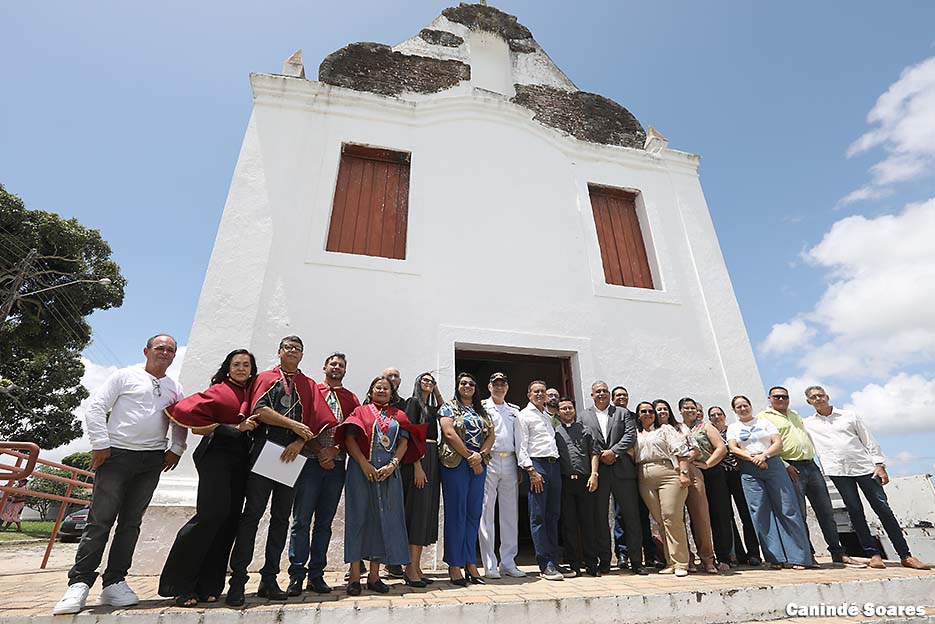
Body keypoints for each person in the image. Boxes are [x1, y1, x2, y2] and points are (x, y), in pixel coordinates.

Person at [53, 334, 187, 616]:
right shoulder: (125, 376)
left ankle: (115, 580)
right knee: (100, 521)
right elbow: (96, 406)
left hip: (152, 459)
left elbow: (181, 420)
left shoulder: (175, 387)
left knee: (131, 523)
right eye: (160, 348)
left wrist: (176, 447)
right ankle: (79, 582)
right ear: (146, 350)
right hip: (116, 455)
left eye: (170, 350)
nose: (165, 352)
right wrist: (100, 444)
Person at [226, 336, 332, 606]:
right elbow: (259, 410)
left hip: (292, 452)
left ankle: (269, 577)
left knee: (281, 517)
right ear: (279, 351)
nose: (293, 352)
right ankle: (237, 579)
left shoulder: (308, 384)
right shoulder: (266, 377)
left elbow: (312, 420)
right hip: (267, 445)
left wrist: (299, 441)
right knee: (252, 514)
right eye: (288, 348)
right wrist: (294, 427)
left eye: (298, 349)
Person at [159, 349, 260, 607]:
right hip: (216, 456)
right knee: (211, 515)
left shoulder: (253, 393)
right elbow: (187, 414)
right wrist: (234, 428)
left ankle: (209, 585)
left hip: (242, 460)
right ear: (228, 368)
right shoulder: (218, 391)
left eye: (246, 365)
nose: (241, 368)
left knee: (229, 521)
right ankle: (182, 585)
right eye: (236, 364)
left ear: (252, 369)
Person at [804, 386, 931, 570]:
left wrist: (879, 465)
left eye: (820, 395)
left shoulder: (849, 416)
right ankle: (873, 554)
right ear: (809, 402)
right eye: (813, 397)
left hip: (865, 467)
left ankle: (905, 555)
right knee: (855, 512)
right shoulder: (808, 424)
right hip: (838, 471)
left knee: (883, 509)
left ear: (827, 396)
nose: (818, 399)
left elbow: (868, 440)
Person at [757, 386, 865, 569]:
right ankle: (808, 555)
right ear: (770, 398)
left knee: (826, 511)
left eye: (784, 396)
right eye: (777, 397)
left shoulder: (795, 415)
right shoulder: (763, 418)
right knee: (799, 514)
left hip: (811, 465)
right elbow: (763, 444)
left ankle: (838, 553)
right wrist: (785, 465)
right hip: (790, 466)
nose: (781, 399)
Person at [338, 376, 425, 595]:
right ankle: (355, 576)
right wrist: (363, 464)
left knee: (383, 520)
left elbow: (404, 441)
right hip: (361, 471)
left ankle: (374, 577)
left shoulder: (398, 415)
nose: (381, 390)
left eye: (385, 388)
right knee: (358, 519)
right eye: (377, 387)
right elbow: (349, 439)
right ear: (370, 391)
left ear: (392, 393)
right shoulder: (361, 411)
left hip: (388, 474)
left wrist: (393, 465)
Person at [287, 352, 361, 597]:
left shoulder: (351, 398)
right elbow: (303, 420)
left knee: (324, 523)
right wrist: (320, 451)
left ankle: (316, 574)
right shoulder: (311, 391)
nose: (336, 367)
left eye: (341, 365)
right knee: (301, 520)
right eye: (333, 363)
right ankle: (296, 574)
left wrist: (335, 450)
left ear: (345, 371)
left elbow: (353, 431)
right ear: (324, 366)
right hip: (309, 461)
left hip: (337, 465)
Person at [727, 395, 812, 570]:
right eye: (738, 407)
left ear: (750, 406)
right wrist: (752, 459)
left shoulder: (764, 422)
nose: (743, 409)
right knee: (760, 512)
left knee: (787, 508)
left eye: (745, 405)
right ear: (734, 410)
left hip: (772, 464)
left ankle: (799, 557)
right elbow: (733, 447)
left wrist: (763, 456)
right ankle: (774, 557)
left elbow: (777, 442)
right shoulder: (734, 428)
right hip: (749, 468)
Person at [579, 381, 648, 575]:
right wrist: (600, 455)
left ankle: (636, 561)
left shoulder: (622, 413)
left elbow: (629, 436)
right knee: (600, 519)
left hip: (623, 471)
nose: (601, 394)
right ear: (592, 395)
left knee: (631, 517)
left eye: (604, 391)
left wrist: (614, 452)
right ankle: (605, 561)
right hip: (598, 472)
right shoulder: (584, 416)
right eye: (597, 391)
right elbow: (583, 440)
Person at [438, 372, 495, 586]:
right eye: (463, 383)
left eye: (471, 383)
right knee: (456, 513)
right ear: (457, 386)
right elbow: (449, 433)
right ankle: (454, 564)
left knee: (474, 514)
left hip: (478, 464)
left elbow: (491, 435)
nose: (467, 386)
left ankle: (470, 562)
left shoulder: (482, 410)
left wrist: (480, 455)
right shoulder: (448, 407)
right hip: (456, 462)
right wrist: (471, 456)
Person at [635, 401, 692, 577]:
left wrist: (683, 473)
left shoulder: (665, 429)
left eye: (650, 411)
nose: (648, 414)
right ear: (638, 415)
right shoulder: (635, 434)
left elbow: (681, 451)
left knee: (672, 517)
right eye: (643, 411)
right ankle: (669, 561)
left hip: (667, 474)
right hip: (644, 476)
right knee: (660, 520)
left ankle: (681, 562)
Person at [517, 380, 567, 580]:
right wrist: (530, 470)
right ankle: (544, 564)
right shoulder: (523, 416)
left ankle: (555, 561)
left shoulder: (548, 416)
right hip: (537, 466)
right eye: (535, 392)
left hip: (554, 465)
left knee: (553, 515)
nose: (539, 394)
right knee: (538, 516)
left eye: (542, 391)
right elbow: (521, 445)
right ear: (529, 395)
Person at [478, 372, 525, 579]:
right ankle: (490, 564)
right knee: (486, 511)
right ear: (489, 387)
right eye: (495, 384)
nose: (499, 388)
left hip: (510, 460)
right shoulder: (482, 407)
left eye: (502, 384)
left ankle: (508, 561)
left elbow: (520, 439)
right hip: (490, 459)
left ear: (507, 387)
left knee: (510, 513)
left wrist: (522, 465)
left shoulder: (514, 410)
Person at [610, 386, 660, 569]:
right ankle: (622, 554)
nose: (621, 398)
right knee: (620, 514)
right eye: (618, 395)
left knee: (642, 514)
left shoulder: (636, 417)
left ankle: (649, 553)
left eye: (624, 395)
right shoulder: (610, 417)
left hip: (640, 472)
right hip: (620, 473)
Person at [401, 372, 444, 586]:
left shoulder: (433, 408)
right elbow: (409, 434)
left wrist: (436, 391)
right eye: (425, 380)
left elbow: (446, 412)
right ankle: (410, 568)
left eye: (432, 381)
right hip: (419, 457)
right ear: (417, 383)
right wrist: (417, 464)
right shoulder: (413, 403)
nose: (429, 383)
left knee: (427, 510)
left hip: (433, 456)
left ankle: (415, 566)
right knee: (417, 511)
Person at [682, 397, 732, 571]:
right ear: (680, 410)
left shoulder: (706, 426)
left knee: (719, 514)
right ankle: (703, 557)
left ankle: (724, 556)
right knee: (698, 516)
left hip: (711, 473)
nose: (690, 411)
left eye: (692, 408)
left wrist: (708, 464)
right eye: (686, 408)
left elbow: (721, 448)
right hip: (692, 473)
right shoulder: (680, 429)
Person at [707, 405, 761, 567]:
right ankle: (737, 553)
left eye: (719, 414)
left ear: (724, 415)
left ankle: (754, 553)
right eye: (713, 415)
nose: (717, 417)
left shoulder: (733, 430)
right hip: (719, 476)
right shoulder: (708, 433)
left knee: (745, 513)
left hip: (737, 474)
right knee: (726, 516)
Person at [554, 397, 600, 577]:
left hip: (585, 481)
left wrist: (594, 475)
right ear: (558, 412)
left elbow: (594, 453)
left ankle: (591, 564)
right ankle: (574, 564)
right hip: (565, 482)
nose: (566, 411)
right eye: (563, 409)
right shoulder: (555, 432)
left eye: (569, 408)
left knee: (588, 524)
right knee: (569, 525)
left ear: (574, 410)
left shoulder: (586, 430)